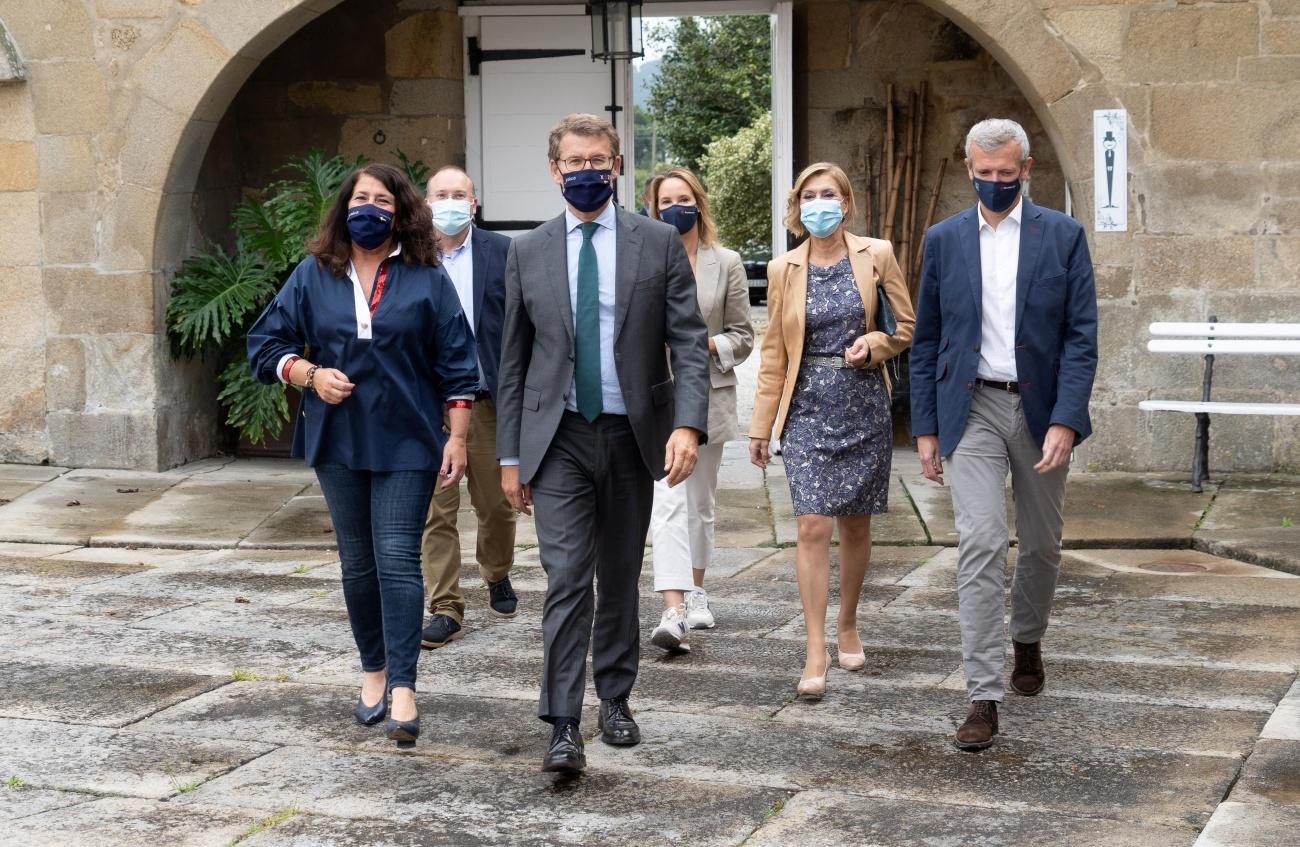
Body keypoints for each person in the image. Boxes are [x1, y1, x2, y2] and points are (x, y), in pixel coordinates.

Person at [496, 114, 710, 775]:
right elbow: (512, 361)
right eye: (574, 160)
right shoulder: (525, 251)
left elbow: (690, 342)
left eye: (599, 158)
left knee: (618, 576)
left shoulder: (657, 243)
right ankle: (562, 721)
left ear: (618, 166)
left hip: (630, 434)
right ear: (555, 169)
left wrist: (687, 423)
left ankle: (614, 697)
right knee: (567, 578)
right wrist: (509, 455)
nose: (586, 169)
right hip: (556, 437)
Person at [247, 164, 478, 749]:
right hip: (338, 438)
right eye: (359, 199)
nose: (369, 208)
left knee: (397, 556)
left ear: (400, 212)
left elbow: (458, 362)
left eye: (381, 200)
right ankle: (372, 669)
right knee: (357, 561)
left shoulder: (427, 276)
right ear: (342, 208)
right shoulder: (313, 274)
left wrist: (457, 437)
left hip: (410, 438)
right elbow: (264, 343)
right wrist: (309, 373)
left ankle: (404, 685)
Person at [910, 118, 1098, 751]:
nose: (994, 183)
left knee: (1041, 545)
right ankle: (982, 695)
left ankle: (1028, 637)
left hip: (1041, 410)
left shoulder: (1064, 237)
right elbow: (928, 337)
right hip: (973, 409)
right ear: (969, 168)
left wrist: (1067, 420)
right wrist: (926, 428)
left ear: (1026, 169)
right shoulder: (944, 240)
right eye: (983, 174)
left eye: (1006, 174)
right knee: (982, 543)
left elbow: (1080, 338)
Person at [749, 162, 914, 701]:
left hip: (863, 400)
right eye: (810, 195)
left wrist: (876, 345)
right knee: (813, 525)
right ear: (798, 207)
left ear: (846, 203)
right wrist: (760, 427)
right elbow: (773, 351)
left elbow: (908, 327)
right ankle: (815, 646)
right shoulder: (782, 268)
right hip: (805, 407)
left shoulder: (878, 254)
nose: (821, 203)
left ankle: (848, 622)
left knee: (857, 528)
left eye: (830, 194)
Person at [644, 166, 754, 653]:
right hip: (654, 396)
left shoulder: (725, 261)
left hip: (708, 392)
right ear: (653, 208)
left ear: (698, 202)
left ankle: (697, 588)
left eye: (683, 198)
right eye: (665, 201)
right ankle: (673, 607)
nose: (675, 208)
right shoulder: (643, 257)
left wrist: (703, 345)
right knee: (666, 499)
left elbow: (744, 336)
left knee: (699, 504)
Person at [418, 165, 518, 649]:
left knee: (496, 504)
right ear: (425, 203)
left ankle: (497, 571)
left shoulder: (504, 252)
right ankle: (444, 606)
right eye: (442, 194)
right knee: (436, 508)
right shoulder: (408, 259)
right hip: (428, 404)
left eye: (460, 194)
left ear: (474, 204)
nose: (451, 202)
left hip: (485, 402)